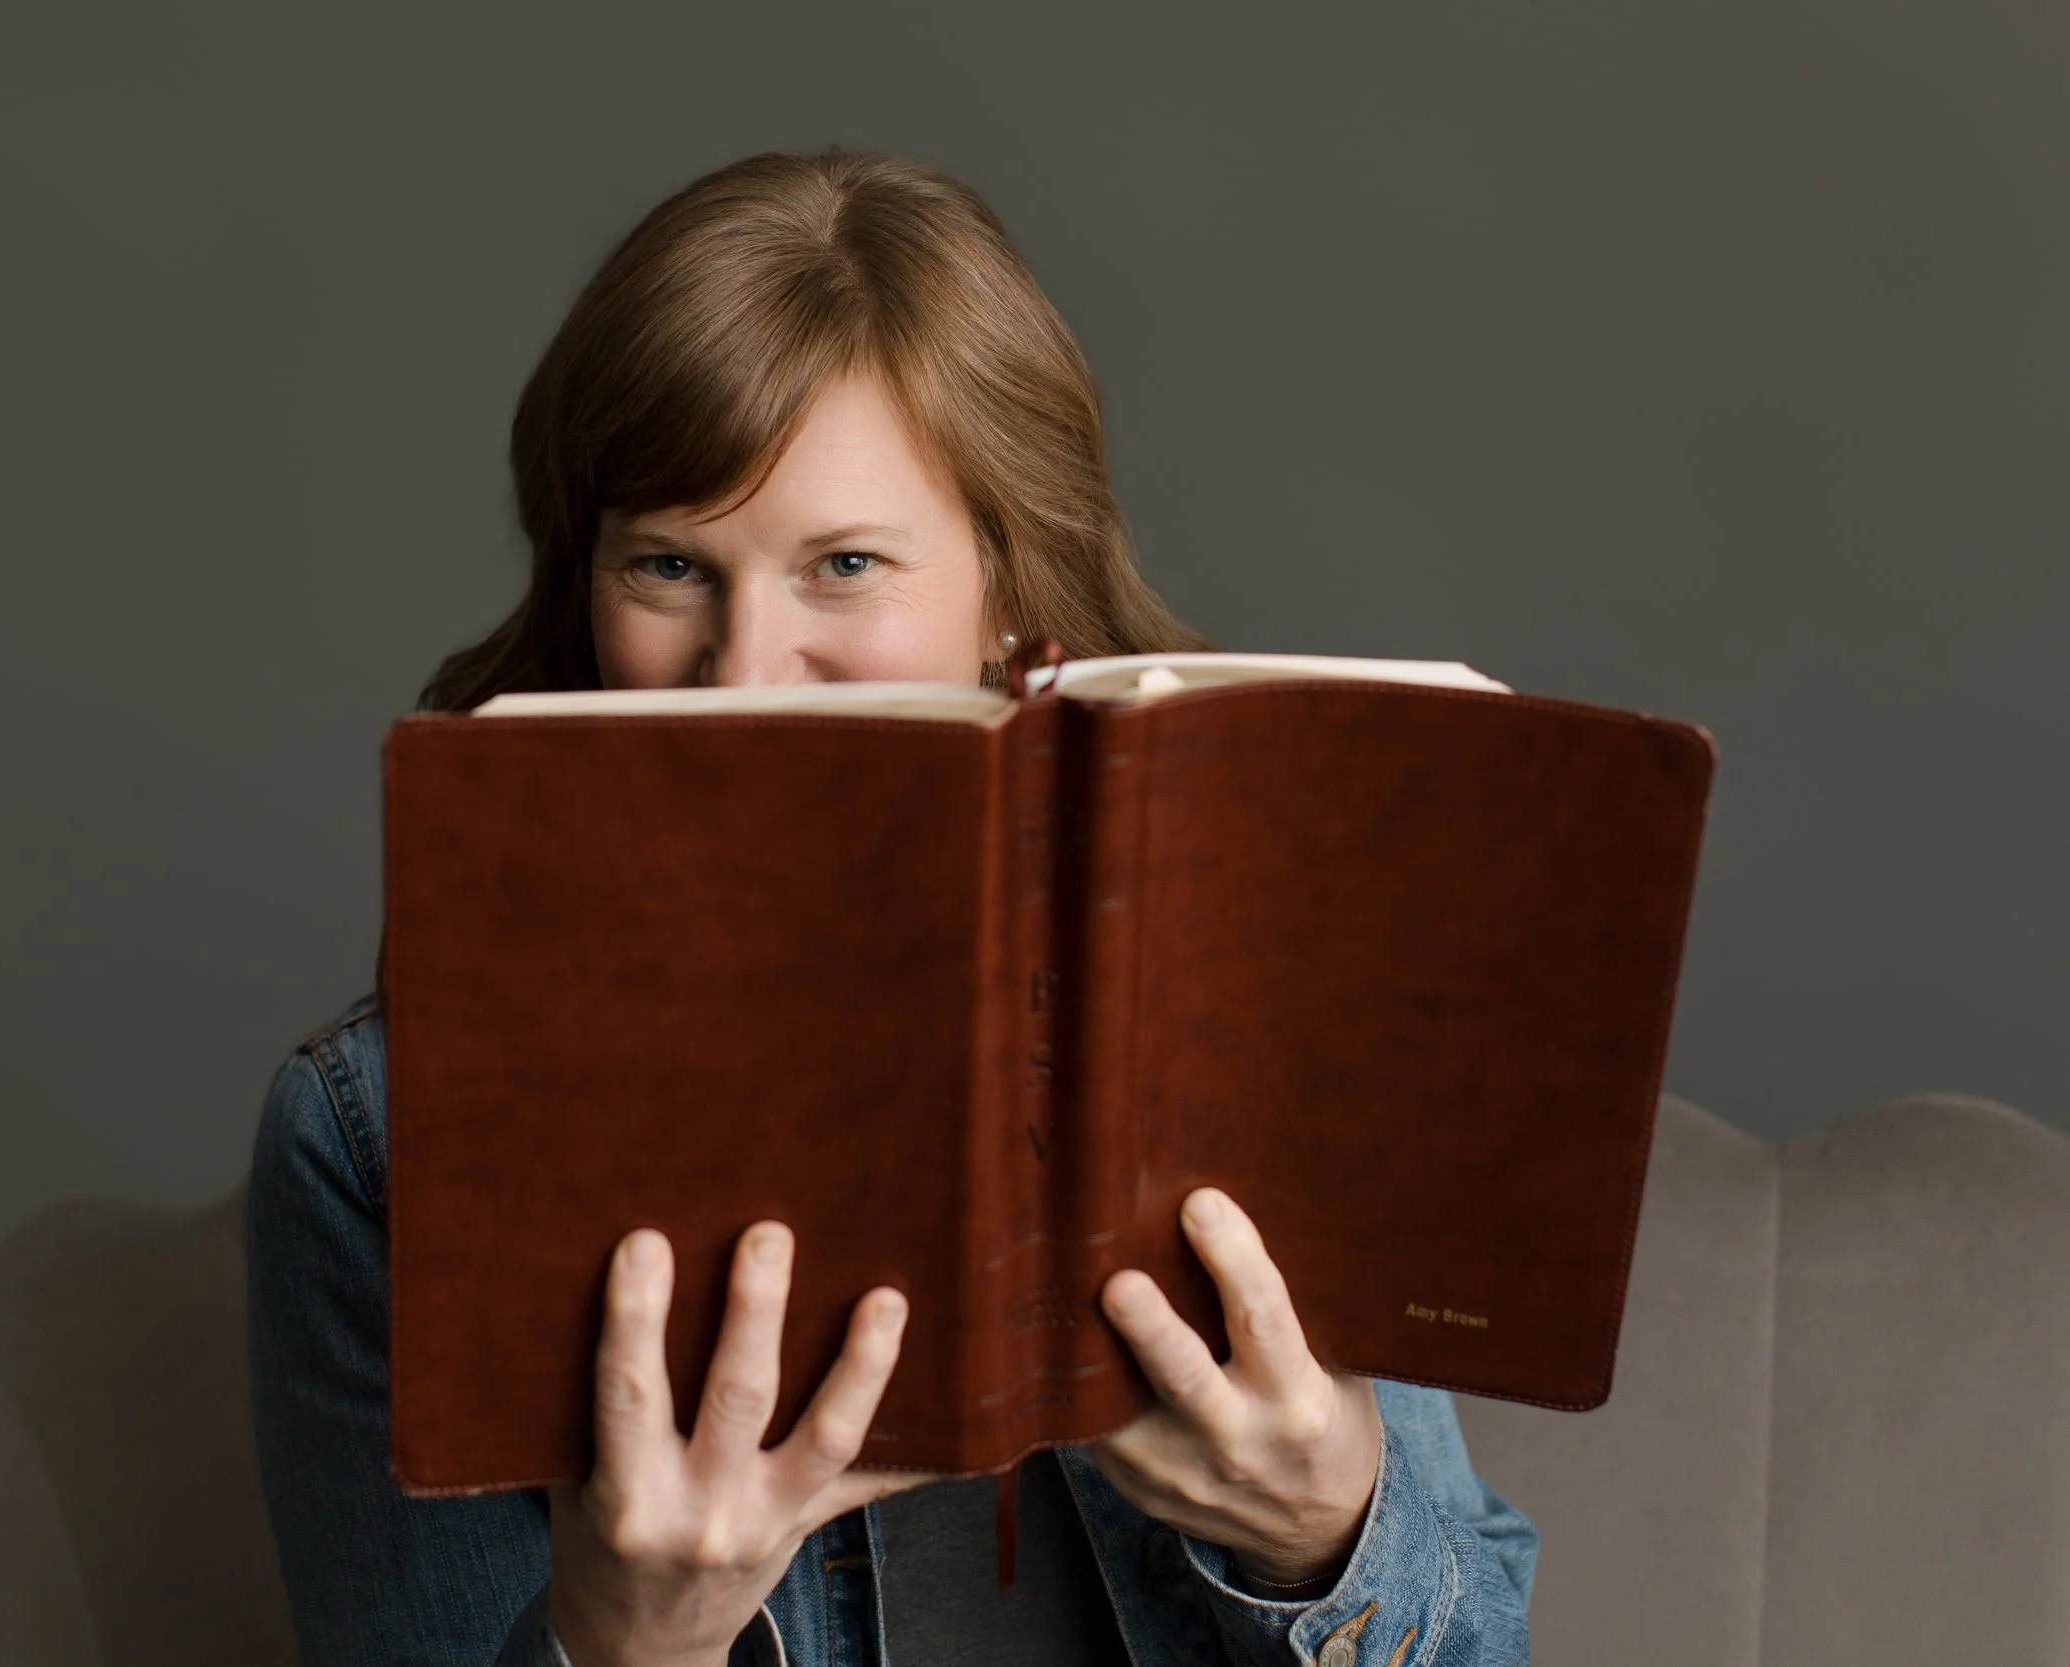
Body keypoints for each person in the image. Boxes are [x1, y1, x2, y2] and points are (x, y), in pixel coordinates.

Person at [248, 148, 1537, 1667]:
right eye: (670, 564)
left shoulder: (1262, 997)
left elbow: (1481, 1641)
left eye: (844, 564)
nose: (743, 674)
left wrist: (1331, 1529)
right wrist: (625, 1641)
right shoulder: (373, 1140)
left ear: (1003, 593)